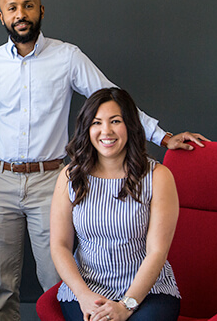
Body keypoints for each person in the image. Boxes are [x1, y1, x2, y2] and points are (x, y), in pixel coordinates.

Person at [0, 0, 207, 321]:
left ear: (41, 11)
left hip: (49, 180)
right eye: (12, 8)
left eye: (28, 5)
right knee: (1, 282)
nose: (20, 14)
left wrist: (162, 135)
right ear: (2, 16)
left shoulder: (67, 56)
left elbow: (111, 99)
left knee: (55, 277)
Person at [51, 88, 181, 321]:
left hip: (147, 291)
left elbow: (157, 252)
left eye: (115, 121)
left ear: (130, 126)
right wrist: (83, 295)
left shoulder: (158, 177)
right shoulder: (70, 176)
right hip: (87, 289)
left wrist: (126, 305)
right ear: (87, 129)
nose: (106, 131)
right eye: (96, 122)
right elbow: (60, 245)